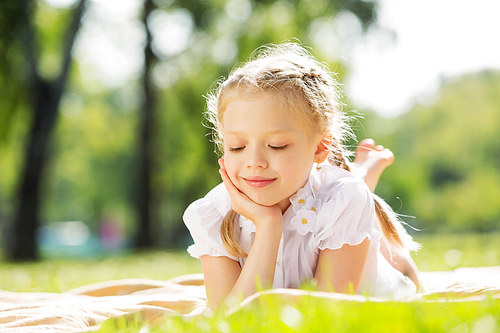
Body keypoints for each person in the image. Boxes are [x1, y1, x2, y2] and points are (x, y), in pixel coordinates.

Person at [183, 43, 420, 311]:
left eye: (277, 145)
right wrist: (268, 224)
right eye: (237, 146)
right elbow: (230, 322)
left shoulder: (343, 200)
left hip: (375, 284)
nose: (254, 163)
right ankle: (361, 173)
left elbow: (325, 315)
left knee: (397, 263)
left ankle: (362, 176)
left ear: (320, 147)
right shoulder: (213, 213)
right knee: (350, 192)